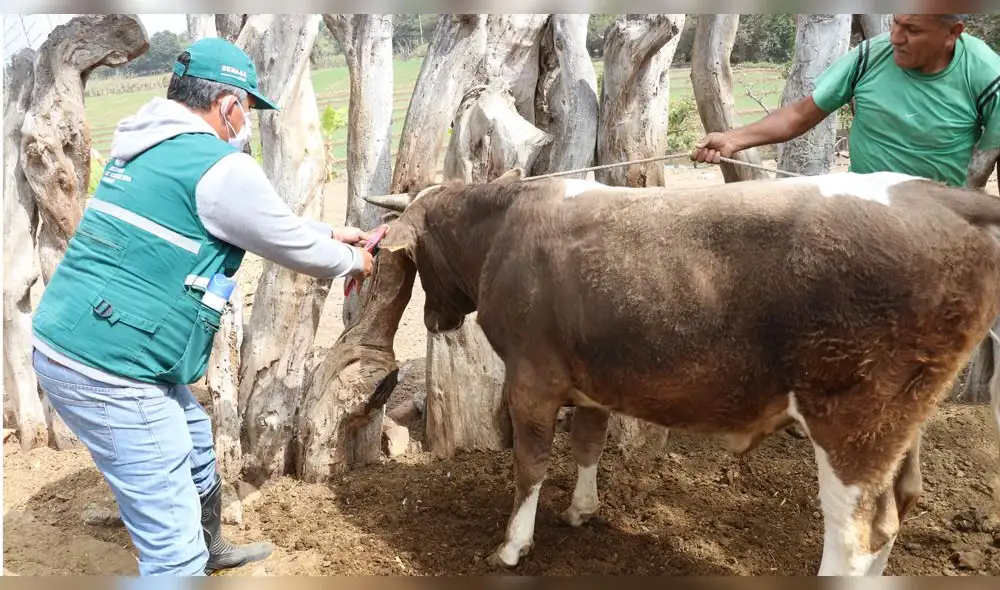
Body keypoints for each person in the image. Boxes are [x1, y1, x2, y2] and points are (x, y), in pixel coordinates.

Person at [29, 37, 374, 576]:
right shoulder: (219, 166)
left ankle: (209, 550)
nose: (247, 125)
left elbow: (256, 222)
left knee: (193, 439)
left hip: (75, 340)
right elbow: (288, 243)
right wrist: (352, 261)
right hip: (111, 369)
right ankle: (190, 559)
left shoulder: (149, 146)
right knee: (172, 552)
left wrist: (331, 231)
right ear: (230, 106)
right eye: (249, 111)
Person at [691, 14, 1000, 189]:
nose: (895, 37)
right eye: (895, 23)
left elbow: (990, 156)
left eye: (912, 30)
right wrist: (733, 140)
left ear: (952, 33)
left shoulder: (986, 74)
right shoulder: (869, 57)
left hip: (943, 217)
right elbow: (800, 114)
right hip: (862, 211)